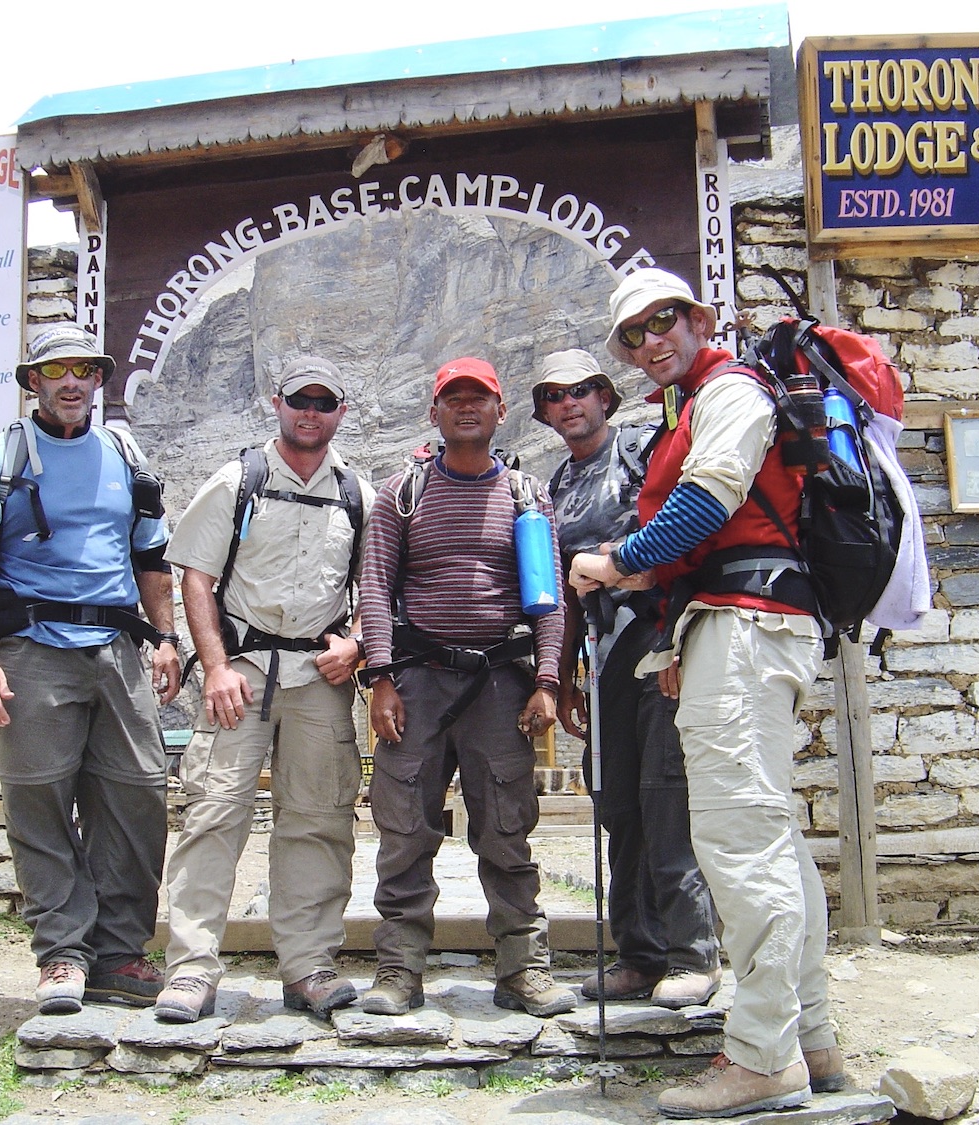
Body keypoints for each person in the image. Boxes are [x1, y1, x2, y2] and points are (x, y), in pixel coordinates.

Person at [569, 269, 845, 1117]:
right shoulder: (695, 401)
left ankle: (761, 1056)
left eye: (664, 321)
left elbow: (703, 507)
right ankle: (810, 1035)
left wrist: (613, 562)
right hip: (737, 625)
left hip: (748, 624)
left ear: (698, 318)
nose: (650, 340)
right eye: (632, 335)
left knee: (737, 837)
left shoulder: (728, 394)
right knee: (770, 834)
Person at [0, 324, 181, 1016]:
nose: (70, 381)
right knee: (39, 796)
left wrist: (165, 636)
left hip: (117, 651)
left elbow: (151, 556)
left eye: (83, 368)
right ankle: (63, 954)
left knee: (137, 793)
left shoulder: (123, 455)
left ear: (99, 378)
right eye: (55, 370)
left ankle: (120, 952)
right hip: (33, 652)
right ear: (32, 382)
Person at [155, 356, 374, 1023]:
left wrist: (358, 642)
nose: (311, 412)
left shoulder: (355, 493)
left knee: (318, 819)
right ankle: (191, 970)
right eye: (300, 400)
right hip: (242, 674)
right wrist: (215, 667)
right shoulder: (238, 481)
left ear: (340, 412)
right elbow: (196, 577)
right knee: (214, 812)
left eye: (325, 402)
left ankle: (308, 965)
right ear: (276, 403)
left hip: (320, 678)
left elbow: (373, 587)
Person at [358, 356, 576, 1019]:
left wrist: (545, 681)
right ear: (435, 413)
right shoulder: (404, 493)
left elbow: (549, 597)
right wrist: (382, 678)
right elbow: (374, 584)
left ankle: (523, 971)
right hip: (417, 684)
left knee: (507, 831)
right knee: (404, 833)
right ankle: (398, 973)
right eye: (451, 398)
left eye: (478, 397)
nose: (465, 407)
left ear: (500, 411)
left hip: (498, 688)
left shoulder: (526, 496)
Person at [530, 348, 721, 1009]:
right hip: (605, 655)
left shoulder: (645, 452)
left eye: (582, 388)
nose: (569, 401)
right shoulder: (557, 486)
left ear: (606, 397)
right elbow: (564, 593)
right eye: (554, 395)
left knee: (666, 794)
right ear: (544, 412)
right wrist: (566, 675)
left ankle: (693, 953)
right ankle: (639, 953)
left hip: (660, 640)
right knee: (618, 804)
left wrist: (664, 628)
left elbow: (681, 532)